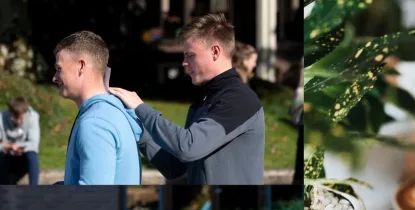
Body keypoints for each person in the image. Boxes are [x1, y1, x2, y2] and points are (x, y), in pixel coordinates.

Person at [110, 13, 266, 185]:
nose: (184, 62)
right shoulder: (205, 98)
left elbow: (188, 147)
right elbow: (174, 166)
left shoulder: (239, 99)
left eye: (190, 55)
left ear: (215, 51)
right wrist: (138, 130)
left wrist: (141, 108)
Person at [52, 31, 143, 185]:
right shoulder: (113, 112)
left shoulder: (95, 123)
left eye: (59, 69)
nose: (54, 77)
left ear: (81, 66)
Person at [0, 97, 40, 185]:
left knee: (32, 154)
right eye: (15, 118)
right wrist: (10, 147)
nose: (18, 122)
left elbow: (34, 144)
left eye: (21, 119)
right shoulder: (1, 117)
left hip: (23, 156)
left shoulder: (33, 116)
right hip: (6, 157)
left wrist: (18, 147)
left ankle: (34, 189)